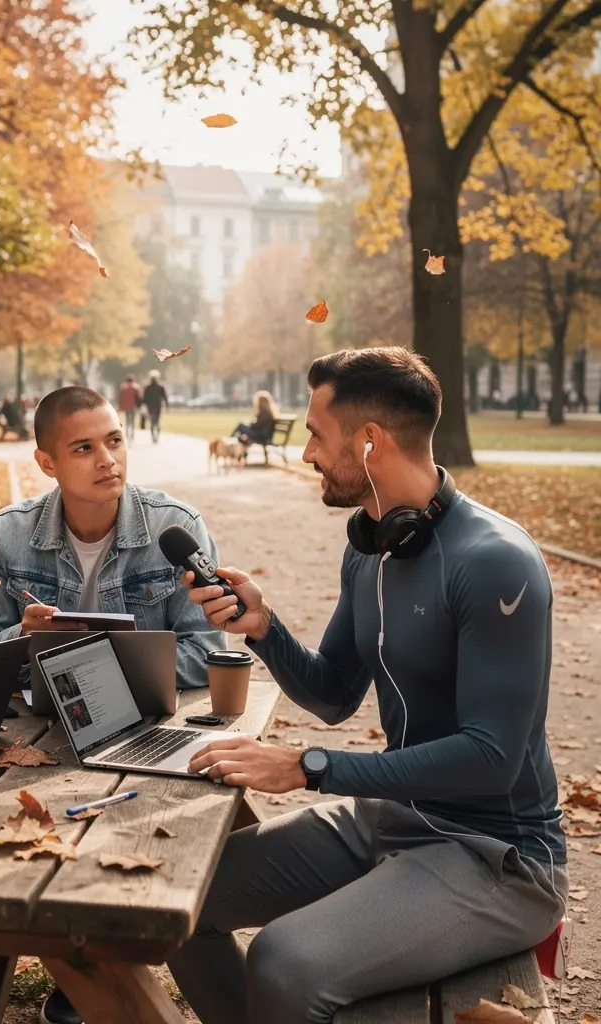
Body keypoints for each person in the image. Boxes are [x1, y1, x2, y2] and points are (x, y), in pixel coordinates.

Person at [169, 346, 567, 1024]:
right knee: (181, 900)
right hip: (396, 820)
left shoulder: (496, 563)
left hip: (496, 856)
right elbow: (332, 695)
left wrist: (308, 768)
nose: (305, 455)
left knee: (284, 961)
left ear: (370, 440)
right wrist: (265, 629)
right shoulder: (374, 545)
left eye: (315, 436)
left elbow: (491, 758)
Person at [0, 385, 226, 1024]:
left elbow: (207, 647)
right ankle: (60, 977)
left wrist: (102, 666)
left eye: (114, 439)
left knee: (144, 831)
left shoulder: (174, 528)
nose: (108, 458)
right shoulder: (7, 535)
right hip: (35, 733)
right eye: (84, 447)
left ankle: (85, 982)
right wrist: (24, 638)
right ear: (47, 462)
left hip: (139, 724)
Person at [142, 369, 168, 443]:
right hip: (158, 406)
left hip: (151, 407)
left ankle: (154, 436)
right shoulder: (160, 387)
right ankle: (156, 435)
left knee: (153, 422)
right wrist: (166, 404)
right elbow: (164, 397)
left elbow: (144, 398)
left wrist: (144, 404)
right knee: (156, 421)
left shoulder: (148, 387)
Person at [118, 374, 142, 440]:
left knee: (127, 420)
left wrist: (120, 405)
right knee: (132, 421)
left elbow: (120, 398)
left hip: (126, 406)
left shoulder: (123, 387)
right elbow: (139, 397)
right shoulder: (136, 387)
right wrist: (139, 406)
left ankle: (127, 433)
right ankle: (132, 434)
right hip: (133, 406)